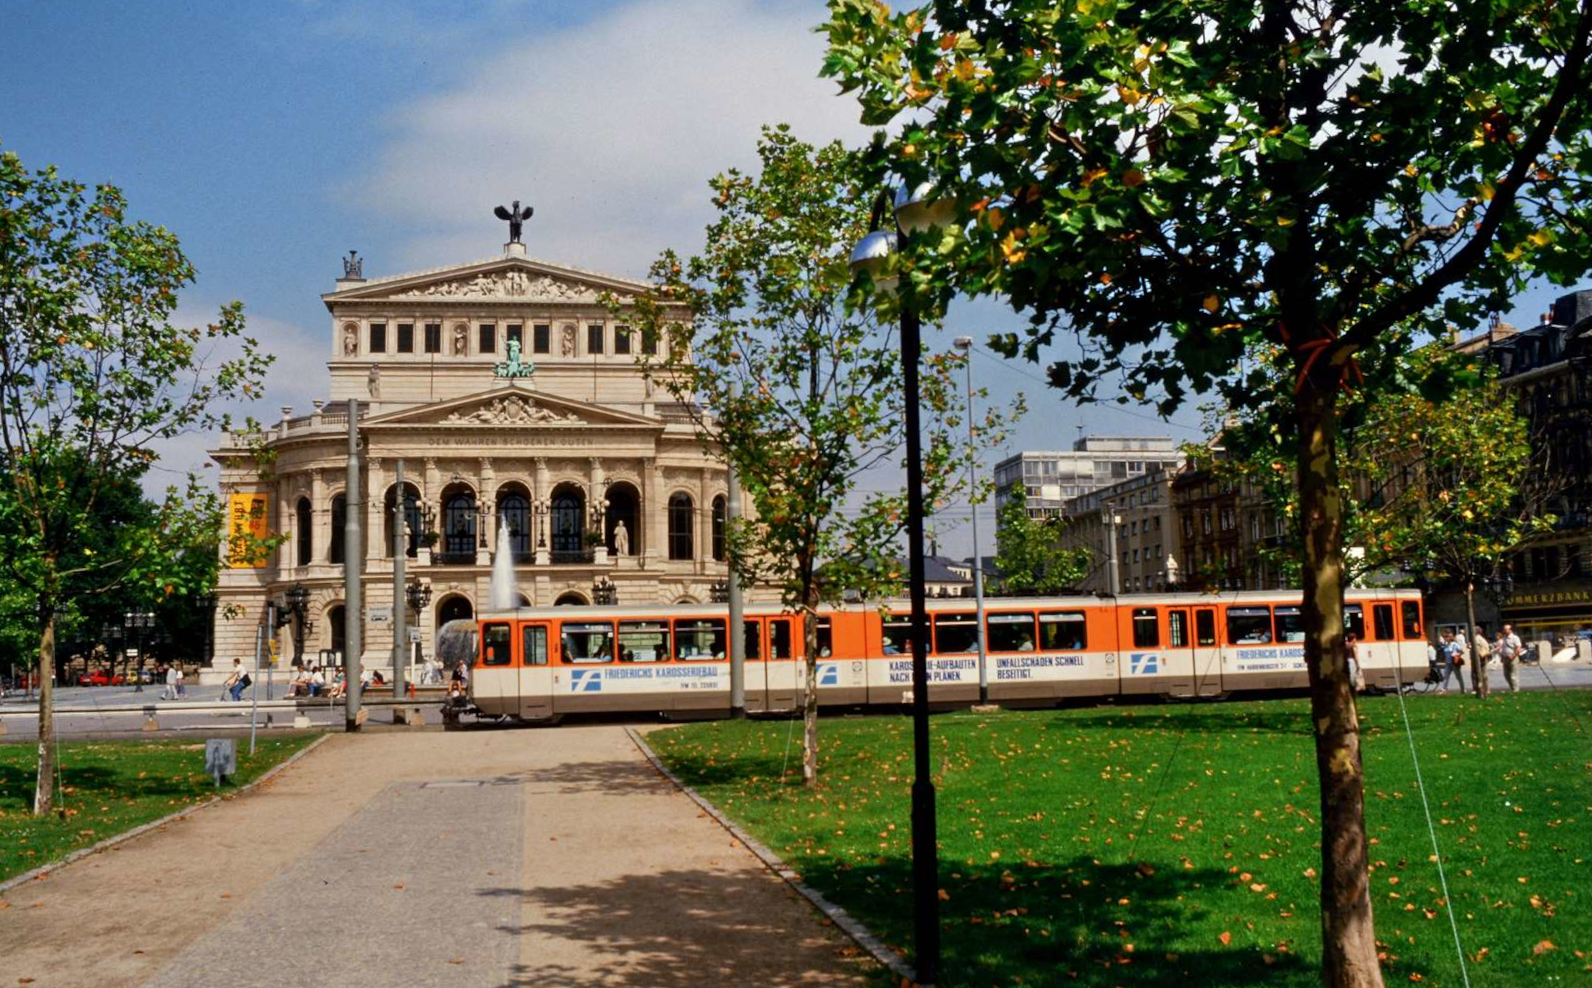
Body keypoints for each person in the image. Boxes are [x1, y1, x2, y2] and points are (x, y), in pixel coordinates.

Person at [1440, 630, 1468, 694]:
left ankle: (1463, 689)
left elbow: (1462, 652)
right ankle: (1444, 689)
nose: (1446, 638)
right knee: (1446, 676)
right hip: (1448, 663)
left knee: (1458, 677)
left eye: (1447, 637)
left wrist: (1456, 654)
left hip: (1454, 663)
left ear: (1450, 638)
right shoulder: (1446, 645)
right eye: (1445, 637)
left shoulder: (1455, 644)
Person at [1498, 623, 1524, 691]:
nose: (1504, 631)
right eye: (1504, 629)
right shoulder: (1504, 638)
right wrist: (1502, 656)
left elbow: (1518, 648)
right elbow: (1503, 647)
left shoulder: (1515, 638)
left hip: (1513, 658)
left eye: (1505, 629)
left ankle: (1516, 690)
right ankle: (1512, 688)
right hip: (1505, 658)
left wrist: (1513, 655)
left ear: (1510, 630)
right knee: (1506, 675)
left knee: (1513, 675)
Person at [1471, 624, 1493, 696]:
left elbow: (1478, 650)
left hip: (1479, 659)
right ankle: (1484, 689)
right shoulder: (1482, 639)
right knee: (1482, 675)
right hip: (1481, 658)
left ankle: (1481, 690)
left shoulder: (1477, 639)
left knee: (1479, 675)